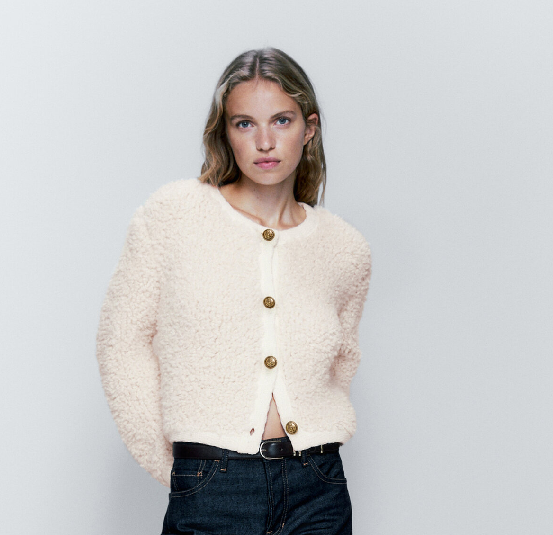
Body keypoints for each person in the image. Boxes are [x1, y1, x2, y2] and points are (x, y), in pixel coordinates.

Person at [96, 47, 372, 534]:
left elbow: (341, 363)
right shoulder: (174, 217)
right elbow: (121, 342)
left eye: (282, 121)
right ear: (224, 132)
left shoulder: (344, 248)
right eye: (245, 124)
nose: (265, 141)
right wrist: (179, 467)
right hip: (212, 484)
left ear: (309, 129)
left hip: (318, 488)